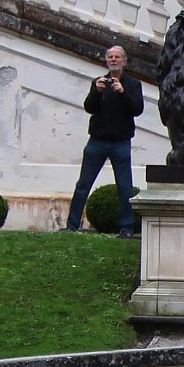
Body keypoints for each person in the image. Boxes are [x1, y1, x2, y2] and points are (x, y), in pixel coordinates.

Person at [67, 45, 143, 236]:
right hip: (97, 141)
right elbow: (89, 107)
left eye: (117, 57)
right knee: (83, 185)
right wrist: (97, 91)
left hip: (121, 142)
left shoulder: (133, 84)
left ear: (124, 61)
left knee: (125, 188)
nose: (114, 60)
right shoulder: (98, 82)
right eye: (110, 57)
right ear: (107, 61)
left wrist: (122, 92)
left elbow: (137, 110)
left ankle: (126, 228)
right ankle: (71, 225)